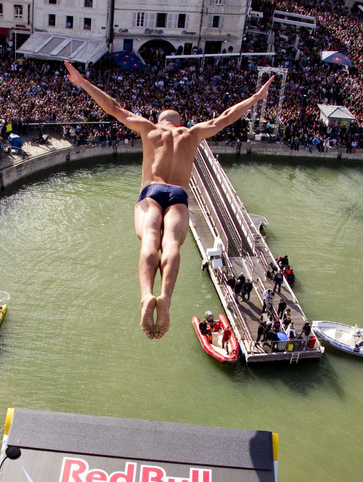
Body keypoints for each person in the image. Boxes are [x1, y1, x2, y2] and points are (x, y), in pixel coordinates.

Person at [65, 61, 272, 338]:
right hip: (179, 195)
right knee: (171, 243)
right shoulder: (192, 133)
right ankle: (165, 297)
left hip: (151, 192)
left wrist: (83, 83)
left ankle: (146, 296)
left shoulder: (148, 129)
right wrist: (255, 98)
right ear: (179, 123)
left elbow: (113, 107)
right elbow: (224, 118)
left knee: (150, 239)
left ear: (160, 121)